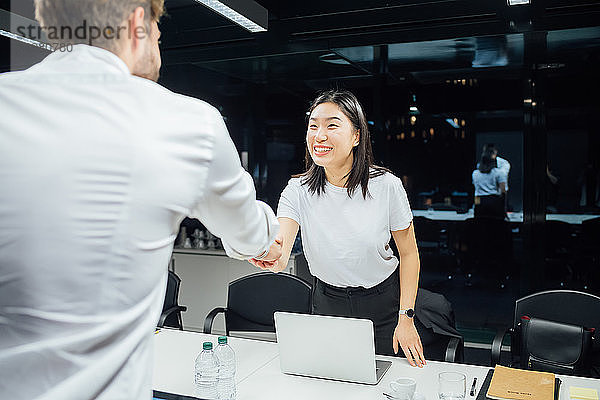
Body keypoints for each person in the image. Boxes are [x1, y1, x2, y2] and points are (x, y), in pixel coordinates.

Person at [0, 1, 281, 399]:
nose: (160, 47)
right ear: (137, 24)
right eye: (158, 33)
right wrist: (268, 238)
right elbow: (250, 235)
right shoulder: (188, 123)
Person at [250, 90, 426, 366]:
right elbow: (281, 249)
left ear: (356, 136)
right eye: (313, 126)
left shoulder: (386, 186)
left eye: (332, 125)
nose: (319, 135)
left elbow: (409, 255)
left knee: (385, 383)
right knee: (332, 382)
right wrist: (267, 252)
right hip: (327, 303)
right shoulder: (298, 190)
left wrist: (406, 317)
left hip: (384, 305)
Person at [472, 147, 507, 219]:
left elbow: (475, 189)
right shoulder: (498, 173)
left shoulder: (475, 173)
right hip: (494, 201)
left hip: (479, 201)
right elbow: (503, 191)